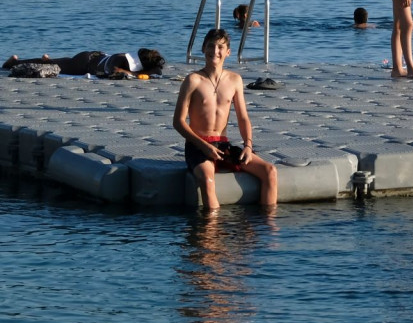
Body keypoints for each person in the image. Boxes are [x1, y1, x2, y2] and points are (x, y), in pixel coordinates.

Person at [172, 28, 277, 209]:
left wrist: (248, 145)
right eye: (211, 46)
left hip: (223, 145)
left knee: (270, 171)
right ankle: (212, 232)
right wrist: (203, 146)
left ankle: (267, 228)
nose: (215, 51)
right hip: (198, 145)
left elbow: (243, 117)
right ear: (203, 48)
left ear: (228, 52)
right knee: (207, 178)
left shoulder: (235, 80)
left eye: (220, 47)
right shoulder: (193, 80)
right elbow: (178, 122)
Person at [5, 48, 165, 77]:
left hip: (92, 56)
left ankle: (49, 59)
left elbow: (158, 71)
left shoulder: (127, 58)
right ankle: (11, 64)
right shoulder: (120, 60)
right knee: (49, 66)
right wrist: (135, 74)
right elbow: (114, 71)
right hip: (84, 63)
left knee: (54, 63)